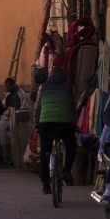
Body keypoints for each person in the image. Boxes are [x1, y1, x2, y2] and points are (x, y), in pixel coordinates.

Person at [34, 64, 77, 194]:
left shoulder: (43, 86)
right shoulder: (69, 87)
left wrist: (37, 124)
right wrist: (73, 123)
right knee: (72, 145)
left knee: (44, 152)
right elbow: (73, 106)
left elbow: (37, 107)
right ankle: (66, 170)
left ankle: (46, 184)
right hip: (64, 123)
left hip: (46, 123)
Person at [0, 77, 28, 168]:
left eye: (8, 86)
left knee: (22, 141)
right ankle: (15, 161)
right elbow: (4, 106)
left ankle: (23, 162)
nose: (7, 88)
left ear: (13, 85)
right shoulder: (8, 95)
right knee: (14, 141)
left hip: (21, 120)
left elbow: (24, 107)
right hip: (11, 120)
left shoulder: (22, 93)